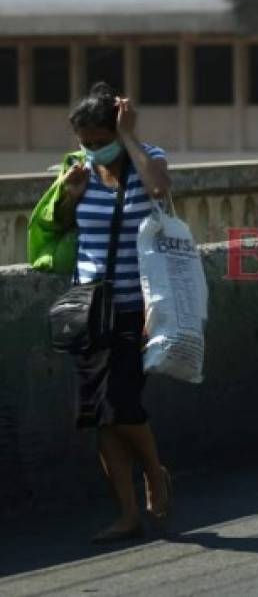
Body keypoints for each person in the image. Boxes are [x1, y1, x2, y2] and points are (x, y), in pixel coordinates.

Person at [55, 82, 174, 542]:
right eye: (85, 144)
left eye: (100, 142)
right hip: (87, 308)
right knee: (99, 416)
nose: (92, 151)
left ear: (117, 130)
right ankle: (127, 513)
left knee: (123, 405)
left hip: (135, 307)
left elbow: (161, 189)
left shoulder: (148, 158)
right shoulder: (79, 169)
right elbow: (66, 227)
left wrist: (129, 139)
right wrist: (70, 195)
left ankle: (154, 475)